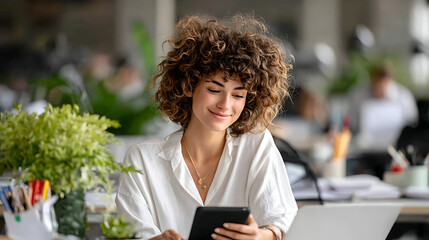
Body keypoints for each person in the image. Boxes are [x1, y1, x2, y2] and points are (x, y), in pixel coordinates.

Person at [115, 15, 298, 240]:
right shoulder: (143, 159)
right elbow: (130, 233)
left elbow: (282, 220)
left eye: (238, 95)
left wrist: (261, 236)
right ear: (189, 85)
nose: (225, 105)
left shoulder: (256, 146)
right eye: (214, 90)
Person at [348, 63, 418, 145]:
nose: (381, 91)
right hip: (367, 146)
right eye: (378, 87)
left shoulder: (404, 97)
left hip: (397, 144)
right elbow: (352, 122)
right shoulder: (360, 95)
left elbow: (412, 122)